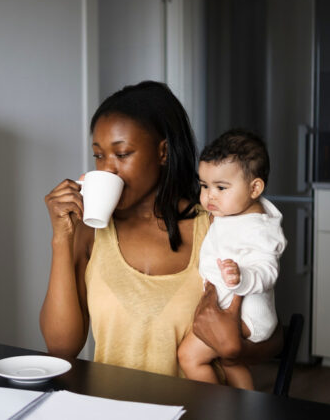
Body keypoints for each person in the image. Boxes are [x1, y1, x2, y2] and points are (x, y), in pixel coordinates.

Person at [41, 81, 282, 382]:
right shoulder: (91, 232)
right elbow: (61, 349)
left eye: (123, 153)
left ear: (163, 152)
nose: (107, 170)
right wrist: (61, 238)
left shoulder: (216, 225)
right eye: (99, 156)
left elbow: (272, 336)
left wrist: (233, 350)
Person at [177, 129, 287, 389]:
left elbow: (269, 269)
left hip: (248, 316)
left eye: (221, 187)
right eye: (204, 185)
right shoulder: (232, 214)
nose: (209, 196)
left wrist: (243, 276)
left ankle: (217, 411)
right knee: (232, 364)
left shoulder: (258, 228)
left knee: (189, 357)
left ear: (254, 188)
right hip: (234, 314)